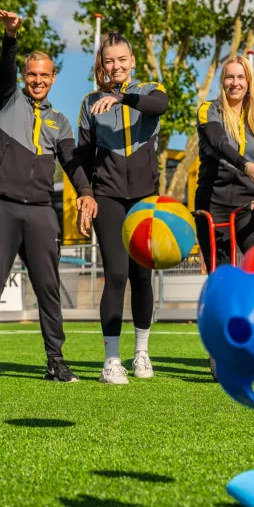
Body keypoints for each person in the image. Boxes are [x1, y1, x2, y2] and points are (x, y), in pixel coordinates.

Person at [0, 9, 97, 386]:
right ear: (24, 77)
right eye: (32, 74)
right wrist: (10, 37)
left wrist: (86, 192)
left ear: (53, 79)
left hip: (40, 213)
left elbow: (71, 162)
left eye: (44, 75)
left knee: (49, 291)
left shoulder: (61, 121)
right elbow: (3, 71)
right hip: (0, 209)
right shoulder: (7, 100)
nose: (37, 80)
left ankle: (56, 362)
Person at [76, 30, 169, 385]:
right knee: (116, 274)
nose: (116, 65)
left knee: (142, 276)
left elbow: (160, 106)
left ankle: (141, 353)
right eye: (109, 60)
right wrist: (85, 192)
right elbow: (83, 156)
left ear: (132, 62)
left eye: (122, 60)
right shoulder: (88, 102)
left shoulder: (148, 90)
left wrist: (122, 99)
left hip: (146, 198)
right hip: (109, 197)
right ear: (102, 64)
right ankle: (111, 360)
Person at [194, 52, 254, 271]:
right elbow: (218, 143)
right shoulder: (209, 110)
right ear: (222, 81)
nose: (235, 83)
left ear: (249, 82)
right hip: (213, 203)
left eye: (241, 77)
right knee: (221, 279)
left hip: (250, 204)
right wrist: (246, 165)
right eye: (229, 77)